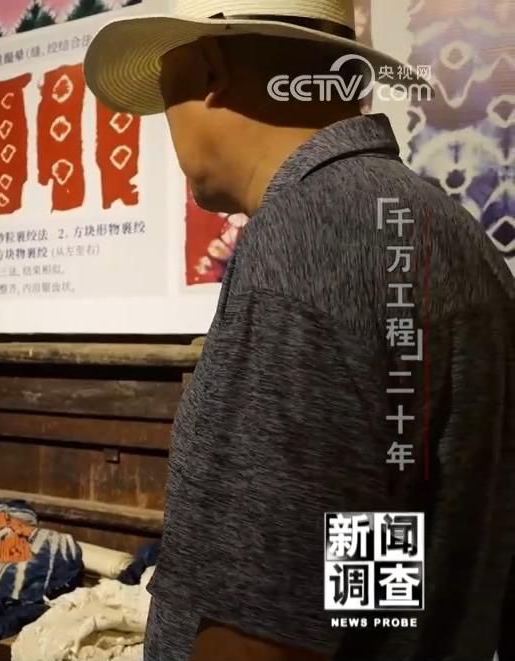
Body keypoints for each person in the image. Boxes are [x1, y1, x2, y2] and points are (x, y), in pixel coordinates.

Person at [84, 1, 514, 660]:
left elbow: (262, 633)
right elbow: (370, 549)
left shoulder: (303, 243)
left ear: (209, 71)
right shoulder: (444, 230)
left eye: (167, 90)